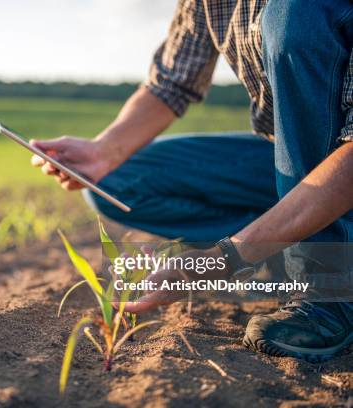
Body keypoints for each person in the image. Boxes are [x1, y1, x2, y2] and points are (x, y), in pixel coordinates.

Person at [30, 0, 353, 362]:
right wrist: (104, 150)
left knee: (298, 13)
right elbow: (171, 82)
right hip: (284, 155)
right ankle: (282, 242)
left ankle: (330, 288)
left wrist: (218, 261)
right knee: (117, 179)